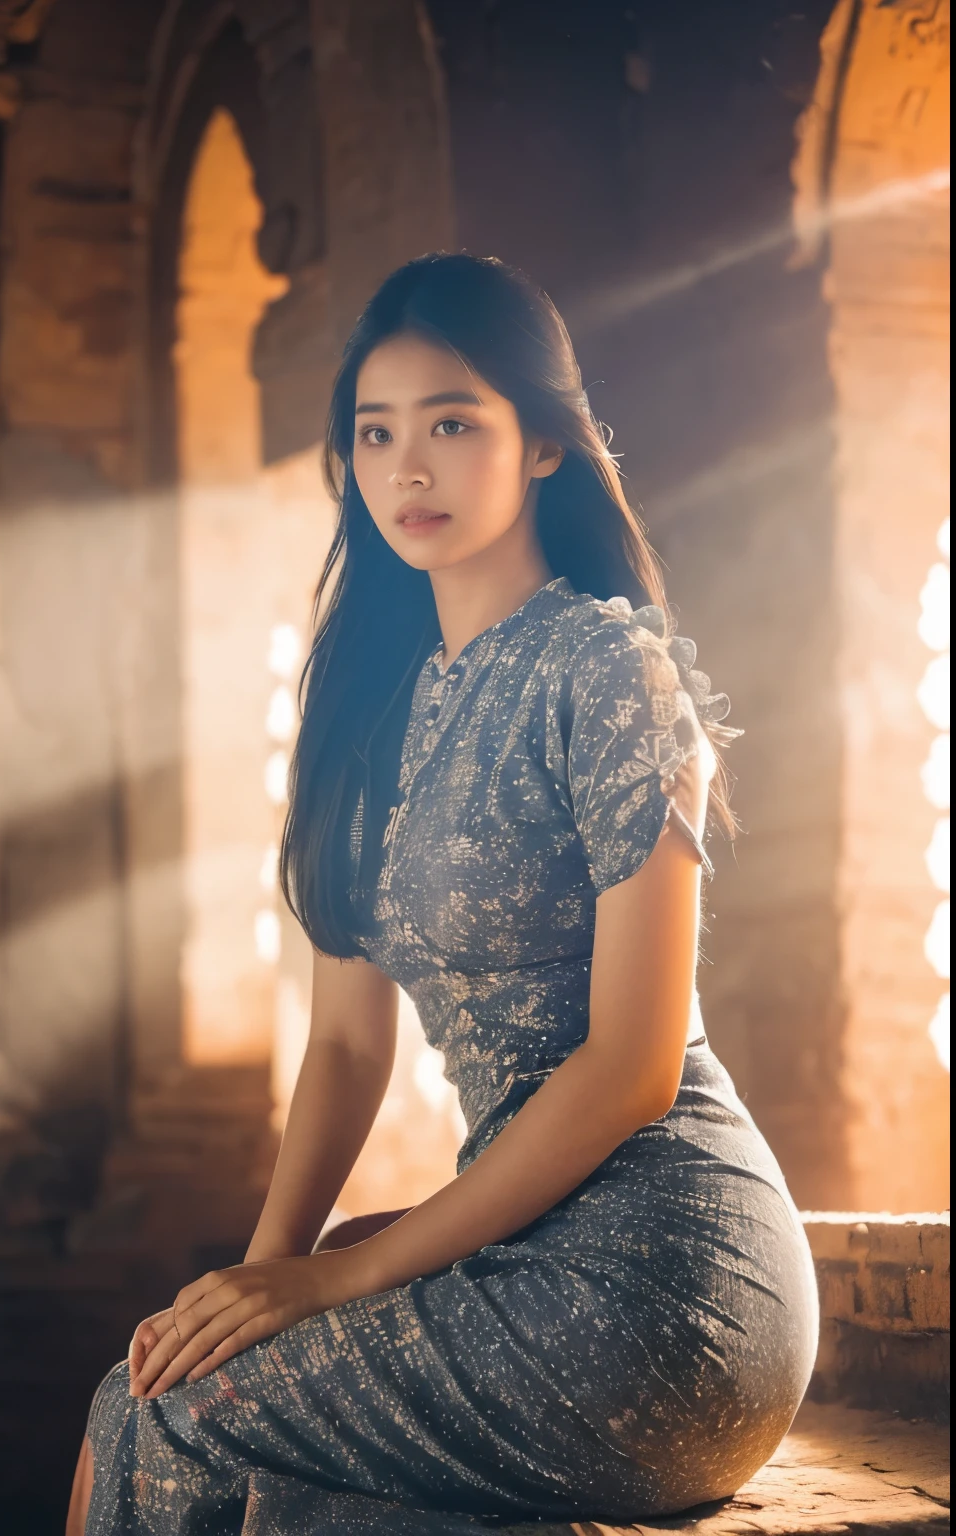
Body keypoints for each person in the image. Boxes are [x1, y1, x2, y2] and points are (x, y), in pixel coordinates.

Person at [68, 253, 819, 1535]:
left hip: (669, 1275)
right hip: (518, 1238)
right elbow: (347, 1049)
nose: (405, 468)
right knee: (152, 1378)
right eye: (375, 432)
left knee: (173, 1417)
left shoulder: (607, 671)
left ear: (540, 445)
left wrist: (327, 1281)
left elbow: (633, 1070)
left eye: (451, 423)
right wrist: (263, 1278)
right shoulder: (363, 708)